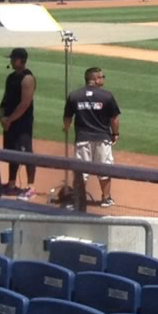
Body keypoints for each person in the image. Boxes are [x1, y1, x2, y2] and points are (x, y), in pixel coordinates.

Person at [64, 66, 120, 208]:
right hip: (102, 137)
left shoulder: (74, 95)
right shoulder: (106, 96)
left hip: (82, 138)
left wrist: (66, 127)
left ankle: (78, 199)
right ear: (95, 79)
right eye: (102, 77)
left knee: (80, 171)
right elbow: (114, 119)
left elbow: (67, 117)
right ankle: (106, 198)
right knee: (105, 168)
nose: (103, 79)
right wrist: (115, 134)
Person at [0, 47, 37, 198]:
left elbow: (25, 103)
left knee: (26, 152)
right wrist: (2, 117)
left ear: (21, 60)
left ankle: (31, 186)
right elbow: (5, 99)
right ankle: (12, 182)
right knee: (11, 151)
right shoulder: (11, 77)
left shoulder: (28, 78)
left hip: (22, 123)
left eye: (14, 59)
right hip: (9, 122)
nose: (11, 61)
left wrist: (10, 119)